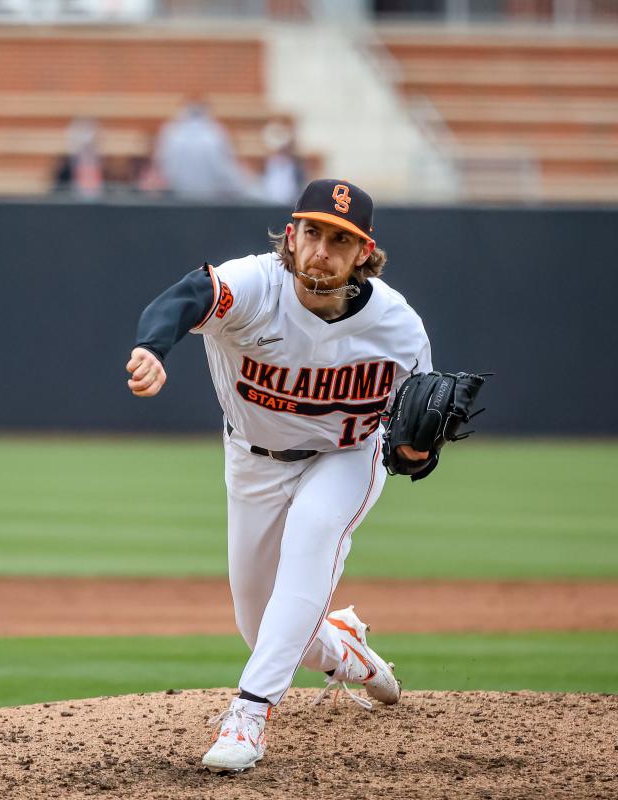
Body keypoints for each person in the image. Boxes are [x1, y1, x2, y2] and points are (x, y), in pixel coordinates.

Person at [125, 179, 433, 772]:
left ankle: (250, 713)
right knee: (256, 621)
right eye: (312, 232)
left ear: (363, 254)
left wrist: (417, 453)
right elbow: (183, 299)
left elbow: (413, 426)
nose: (321, 249)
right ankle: (347, 651)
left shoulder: (399, 327)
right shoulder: (255, 285)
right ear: (290, 236)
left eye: (340, 240)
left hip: (344, 455)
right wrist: (152, 348)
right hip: (253, 459)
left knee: (314, 534)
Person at [153, 100, 248, 201]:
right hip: (209, 201)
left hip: (181, 199)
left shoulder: (171, 131)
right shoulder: (215, 133)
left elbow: (163, 166)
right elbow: (224, 170)